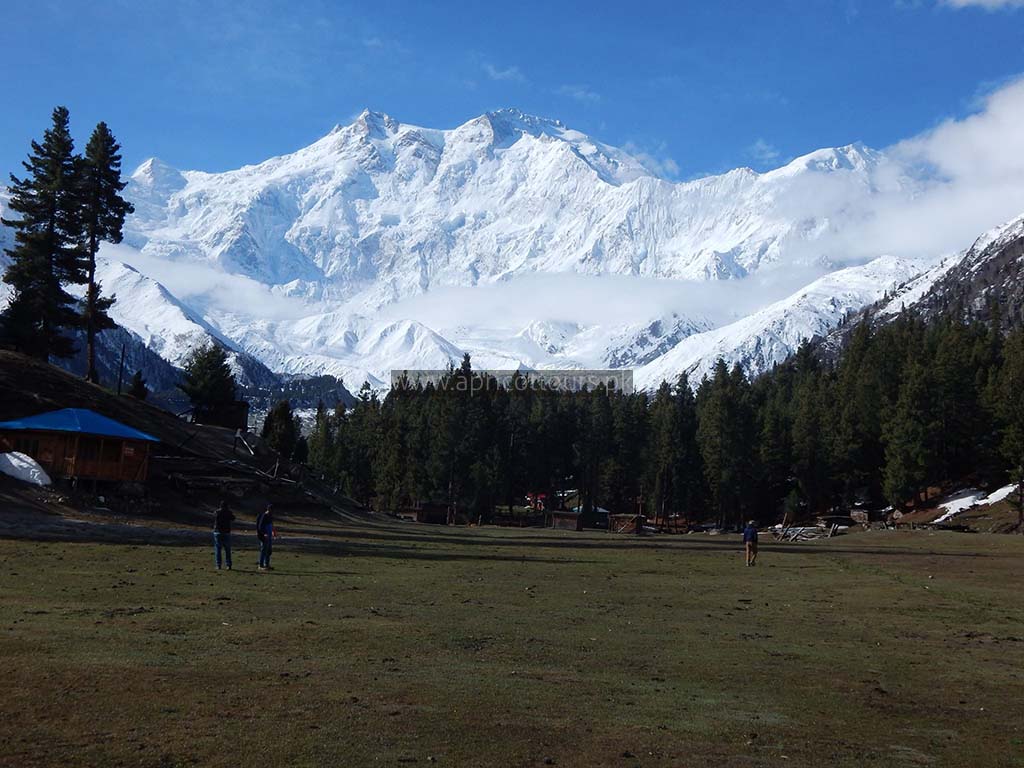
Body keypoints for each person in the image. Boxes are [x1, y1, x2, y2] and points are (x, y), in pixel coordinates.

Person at [213, 501, 234, 570]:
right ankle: (228, 565)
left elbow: (214, 515)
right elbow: (233, 518)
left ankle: (218, 565)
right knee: (227, 549)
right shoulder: (229, 512)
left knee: (218, 549)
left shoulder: (217, 512)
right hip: (226, 532)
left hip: (218, 531)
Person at [256, 504, 275, 570]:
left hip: (269, 536)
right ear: (268, 509)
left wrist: (273, 532)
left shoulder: (270, 516)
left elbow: (271, 524)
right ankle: (261, 565)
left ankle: (267, 564)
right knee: (264, 550)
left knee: (268, 550)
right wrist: (264, 534)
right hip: (264, 536)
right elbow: (260, 526)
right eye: (271, 510)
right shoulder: (264, 516)